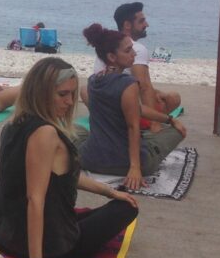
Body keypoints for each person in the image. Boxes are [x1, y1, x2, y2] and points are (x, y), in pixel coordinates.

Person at [0, 57, 139, 258]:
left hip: (8, 238)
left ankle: (33, 238)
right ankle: (39, 251)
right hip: (57, 248)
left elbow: (63, 176)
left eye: (72, 94)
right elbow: (35, 198)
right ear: (40, 93)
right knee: (127, 208)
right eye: (62, 94)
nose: (70, 102)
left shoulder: (12, 125)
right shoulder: (46, 133)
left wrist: (109, 192)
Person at [80, 24, 186, 190]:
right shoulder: (128, 84)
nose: (134, 54)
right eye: (128, 50)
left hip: (91, 160)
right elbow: (132, 126)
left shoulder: (93, 80)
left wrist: (169, 119)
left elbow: (137, 109)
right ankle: (140, 159)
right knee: (177, 132)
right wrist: (135, 168)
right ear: (112, 57)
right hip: (124, 163)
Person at [89, 2, 181, 127]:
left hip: (105, 111)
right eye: (141, 21)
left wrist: (156, 92)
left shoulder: (108, 45)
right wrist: (155, 125)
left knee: (161, 95)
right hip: (127, 112)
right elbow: (144, 87)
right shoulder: (137, 49)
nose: (146, 24)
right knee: (174, 98)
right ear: (127, 25)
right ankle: (149, 125)